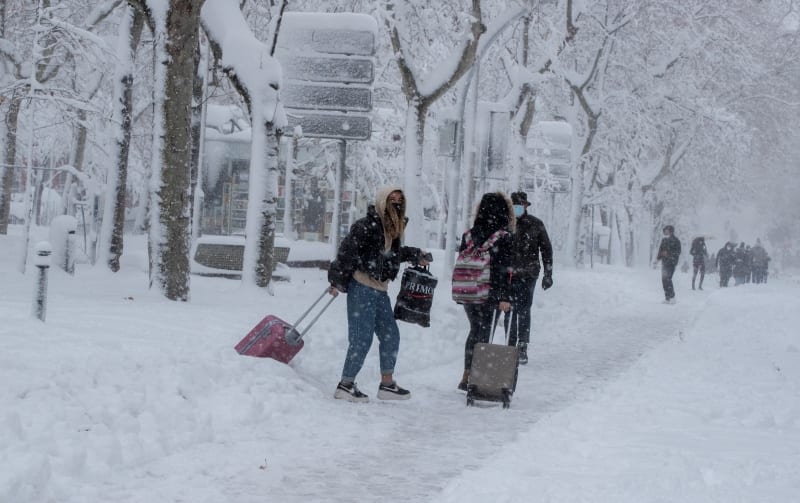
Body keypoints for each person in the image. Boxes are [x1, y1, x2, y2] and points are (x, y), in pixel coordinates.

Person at [327, 186, 430, 403]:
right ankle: (345, 385)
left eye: (400, 200)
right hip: (362, 287)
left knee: (391, 335)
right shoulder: (366, 226)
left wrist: (414, 254)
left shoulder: (392, 229)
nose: (396, 203)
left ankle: (387, 384)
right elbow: (347, 251)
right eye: (392, 199)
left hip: (381, 290)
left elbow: (391, 255)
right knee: (361, 338)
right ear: (382, 201)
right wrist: (336, 280)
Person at [457, 192, 514, 391]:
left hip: (470, 290)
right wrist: (505, 296)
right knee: (484, 332)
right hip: (490, 291)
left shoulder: (469, 235)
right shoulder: (503, 237)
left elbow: (463, 261)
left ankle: (466, 374)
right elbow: (504, 268)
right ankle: (476, 376)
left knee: (474, 329)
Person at [506, 191, 553, 365]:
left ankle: (522, 345)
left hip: (529, 274)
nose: (518, 208)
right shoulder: (505, 224)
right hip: (508, 274)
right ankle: (510, 345)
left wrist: (548, 274)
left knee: (524, 308)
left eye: (521, 205)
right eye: (515, 205)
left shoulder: (536, 224)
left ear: (526, 206)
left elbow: (546, 249)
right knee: (508, 308)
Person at [656, 225, 681, 304]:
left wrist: (668, 253)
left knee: (668, 279)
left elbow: (678, 252)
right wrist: (658, 258)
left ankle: (672, 297)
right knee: (663, 280)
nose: (665, 231)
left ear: (670, 230)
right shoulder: (664, 240)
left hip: (671, 262)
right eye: (664, 230)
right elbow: (661, 250)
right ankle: (667, 298)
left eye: (666, 230)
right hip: (664, 262)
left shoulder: (676, 240)